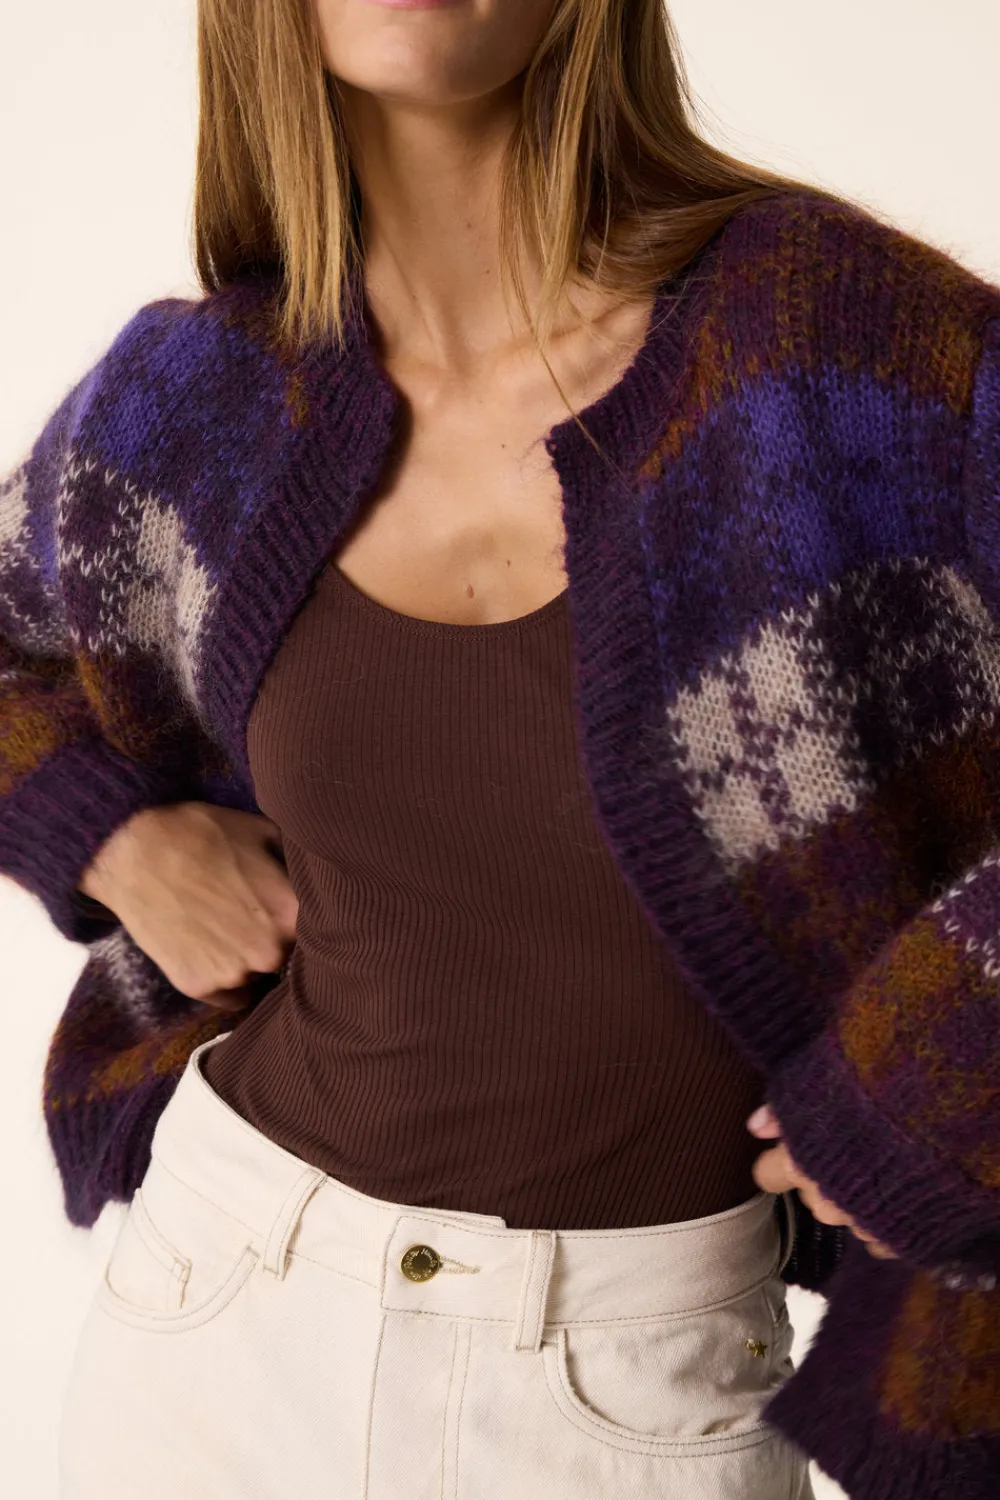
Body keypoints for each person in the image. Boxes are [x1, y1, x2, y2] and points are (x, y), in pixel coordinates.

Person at [2, 2, 998, 1497]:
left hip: (639, 1398)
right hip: (220, 1330)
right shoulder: (202, 401)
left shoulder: (841, 353)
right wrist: (107, 836)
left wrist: (943, 1079)